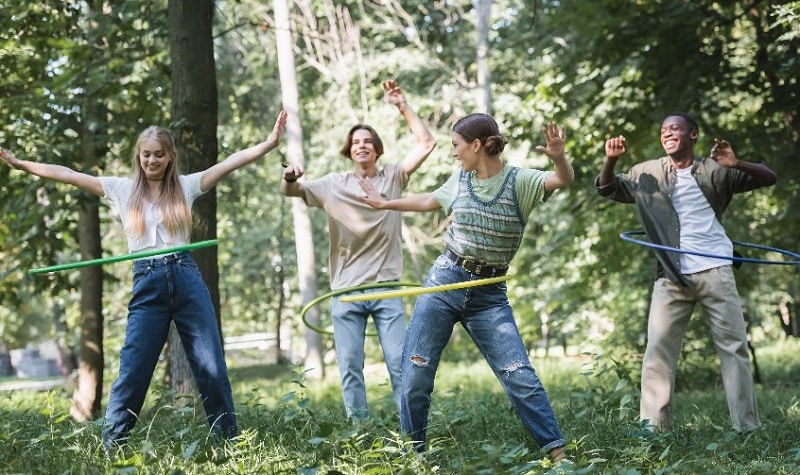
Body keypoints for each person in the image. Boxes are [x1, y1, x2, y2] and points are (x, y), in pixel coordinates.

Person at [1, 110, 288, 448]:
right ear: (139, 156)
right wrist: (21, 164)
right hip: (147, 281)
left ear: (170, 157)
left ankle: (229, 442)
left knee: (210, 365)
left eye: (159, 154)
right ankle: (113, 445)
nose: (152, 160)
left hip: (185, 276)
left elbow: (229, 164)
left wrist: (270, 143)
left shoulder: (186, 186)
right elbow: (68, 174)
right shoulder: (121, 190)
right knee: (134, 368)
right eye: (146, 154)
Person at [358, 113, 573, 461]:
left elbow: (562, 179)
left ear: (476, 145)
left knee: (519, 374)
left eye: (456, 145)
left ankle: (559, 456)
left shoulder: (520, 181)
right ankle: (415, 455)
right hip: (445, 282)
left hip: (489, 296)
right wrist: (384, 204)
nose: (454, 153)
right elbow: (428, 200)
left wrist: (559, 156)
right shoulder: (459, 180)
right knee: (415, 373)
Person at [596, 113, 777, 433]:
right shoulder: (645, 173)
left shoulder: (717, 170)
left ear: (693, 135)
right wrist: (610, 160)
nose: (668, 134)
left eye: (675, 129)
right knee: (657, 355)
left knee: (734, 349)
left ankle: (747, 428)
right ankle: (653, 432)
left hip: (715, 270)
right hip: (671, 276)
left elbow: (768, 177)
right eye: (664, 130)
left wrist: (737, 163)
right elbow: (608, 189)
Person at [281, 80, 436, 419]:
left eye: (368, 141)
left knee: (399, 365)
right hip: (346, 290)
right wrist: (291, 176)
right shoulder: (333, 185)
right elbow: (291, 191)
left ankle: (411, 432)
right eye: (355, 142)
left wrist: (402, 104)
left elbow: (427, 143)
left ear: (377, 149)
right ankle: (360, 432)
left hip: (386, 288)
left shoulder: (394, 177)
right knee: (351, 368)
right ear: (349, 150)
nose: (361, 146)